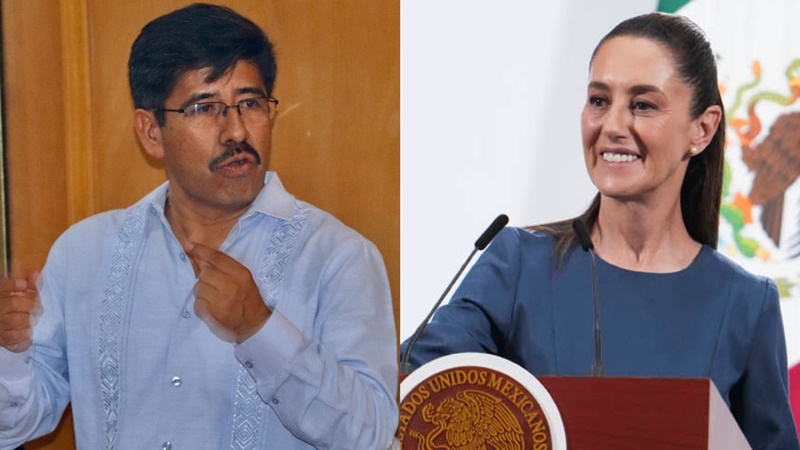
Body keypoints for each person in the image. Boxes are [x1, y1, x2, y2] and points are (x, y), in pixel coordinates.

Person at [0, 3, 398, 449]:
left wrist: (260, 330)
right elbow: (13, 426)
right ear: (151, 132)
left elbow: (370, 435)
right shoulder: (84, 254)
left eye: (250, 103)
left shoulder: (338, 258)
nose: (237, 132)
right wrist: (10, 354)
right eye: (205, 107)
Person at [401, 12, 799, 450]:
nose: (612, 126)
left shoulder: (746, 303)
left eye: (643, 105)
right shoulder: (517, 264)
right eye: (598, 100)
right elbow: (421, 382)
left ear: (702, 129)